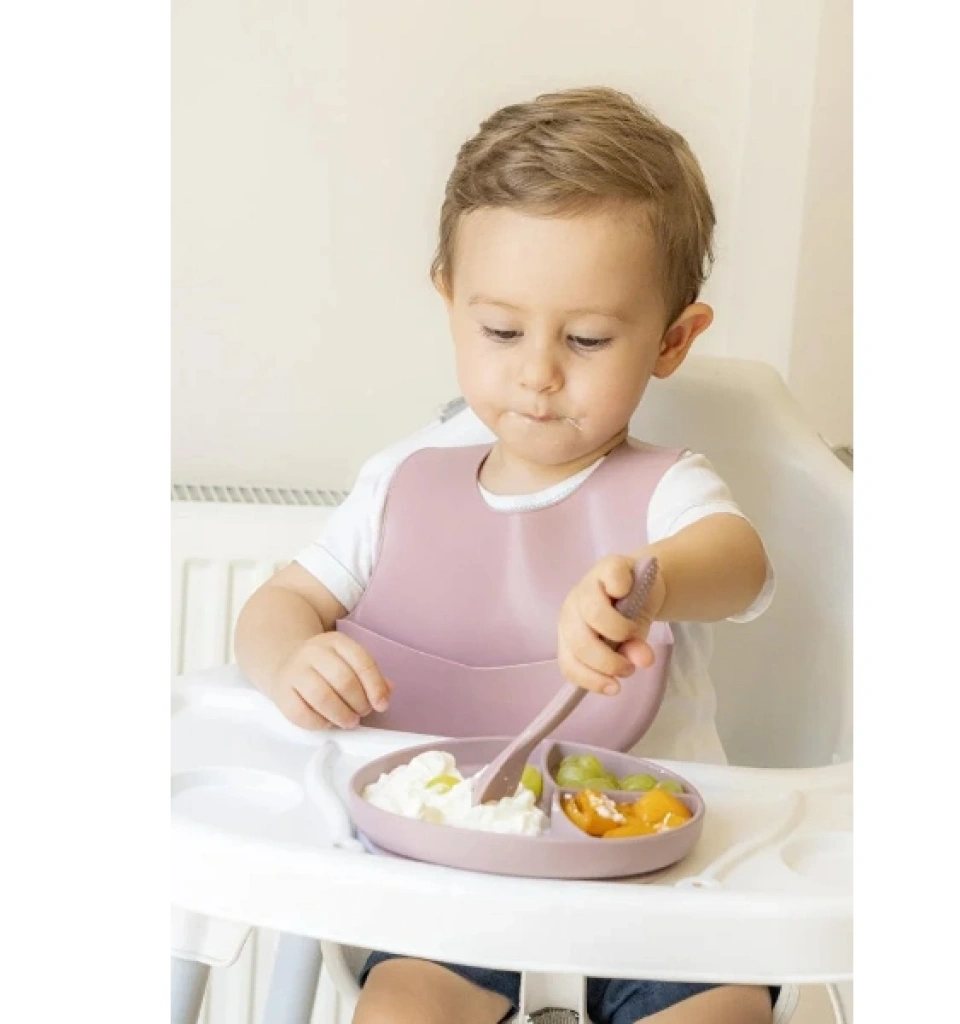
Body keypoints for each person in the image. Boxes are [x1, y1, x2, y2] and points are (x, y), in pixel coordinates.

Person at [236, 86, 778, 1024]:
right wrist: (292, 657)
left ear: (672, 339)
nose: (537, 372)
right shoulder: (403, 481)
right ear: (449, 302)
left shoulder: (670, 491)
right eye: (500, 331)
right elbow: (278, 605)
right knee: (399, 1010)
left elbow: (740, 565)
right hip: (457, 890)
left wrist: (651, 583)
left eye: (587, 338)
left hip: (668, 895)